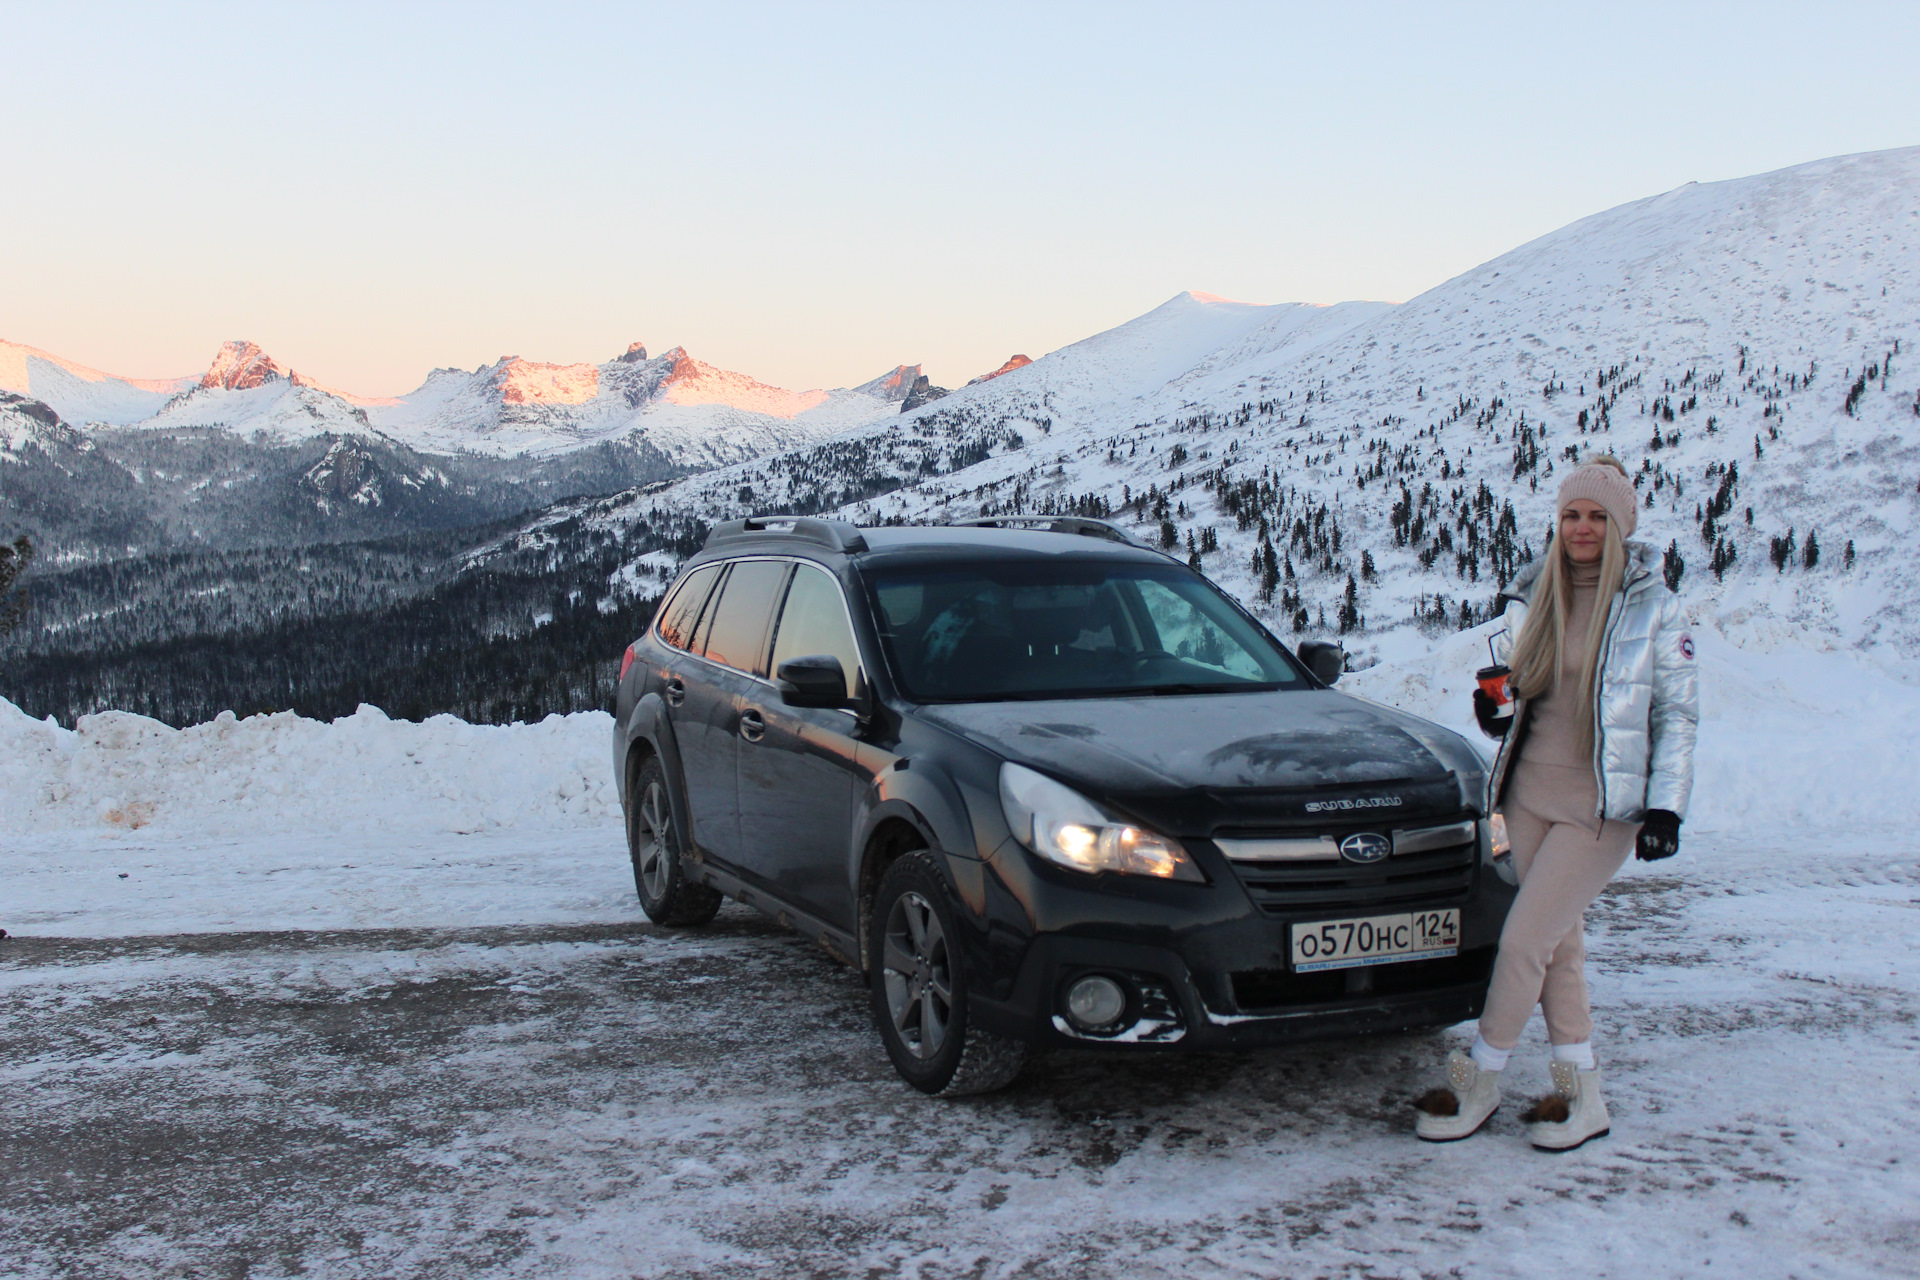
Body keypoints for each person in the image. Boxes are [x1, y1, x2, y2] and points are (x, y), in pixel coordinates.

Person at [1414, 456, 1698, 1151]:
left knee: (1523, 941)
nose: (1582, 528)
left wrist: (1666, 809)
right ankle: (1582, 1094)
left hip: (1600, 810)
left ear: (1621, 527)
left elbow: (1678, 717)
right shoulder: (1538, 595)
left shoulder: (1656, 609)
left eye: (1598, 517)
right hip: (1528, 795)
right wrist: (1495, 712)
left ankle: (1481, 1079)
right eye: (1572, 514)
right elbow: (1525, 695)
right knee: (1558, 947)